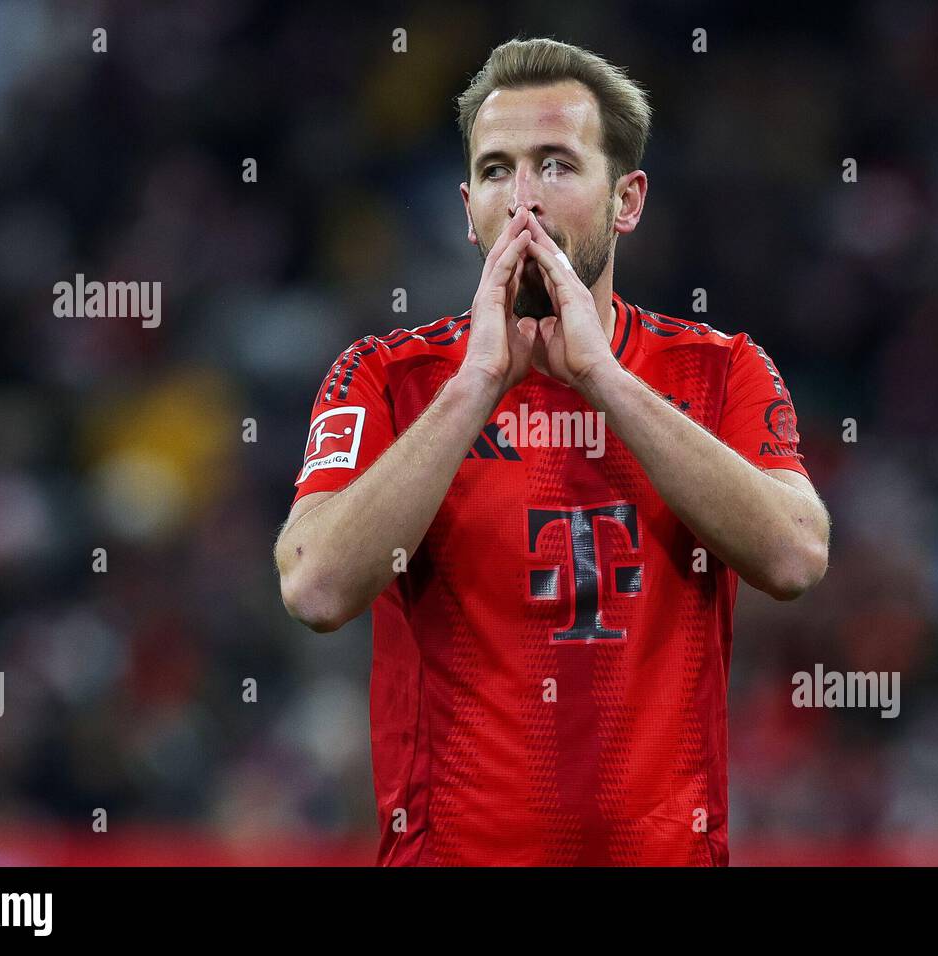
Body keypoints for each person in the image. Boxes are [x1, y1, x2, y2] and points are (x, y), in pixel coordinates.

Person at [275, 37, 830, 865]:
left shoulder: (721, 371)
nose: (523, 200)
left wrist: (603, 379)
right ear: (468, 208)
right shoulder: (386, 375)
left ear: (627, 199)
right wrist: (477, 383)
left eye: (557, 165)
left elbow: (794, 556)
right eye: (497, 171)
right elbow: (315, 586)